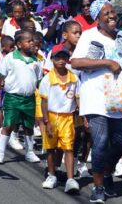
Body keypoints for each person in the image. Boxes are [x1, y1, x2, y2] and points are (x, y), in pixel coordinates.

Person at [71, 0, 122, 203]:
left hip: (118, 97)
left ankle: (106, 173)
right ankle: (98, 187)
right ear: (97, 18)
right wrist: (107, 62)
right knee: (99, 141)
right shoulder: (89, 36)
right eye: (106, 13)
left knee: (119, 142)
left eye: (113, 12)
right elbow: (76, 62)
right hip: (96, 97)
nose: (111, 15)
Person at [0, 30, 42, 164]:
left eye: (33, 40)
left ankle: (29, 152)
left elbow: (38, 80)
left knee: (28, 126)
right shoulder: (10, 58)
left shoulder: (36, 60)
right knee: (8, 125)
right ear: (19, 44)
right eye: (29, 41)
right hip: (12, 97)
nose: (32, 43)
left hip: (29, 99)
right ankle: (0, 153)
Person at [39, 45, 81, 193]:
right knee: (50, 148)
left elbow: (77, 98)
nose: (61, 61)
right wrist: (46, 121)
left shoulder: (74, 78)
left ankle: (70, 179)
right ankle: (51, 175)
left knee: (68, 148)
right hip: (51, 116)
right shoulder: (47, 79)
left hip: (67, 117)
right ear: (52, 59)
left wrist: (82, 115)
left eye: (64, 57)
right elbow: (44, 102)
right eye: (57, 58)